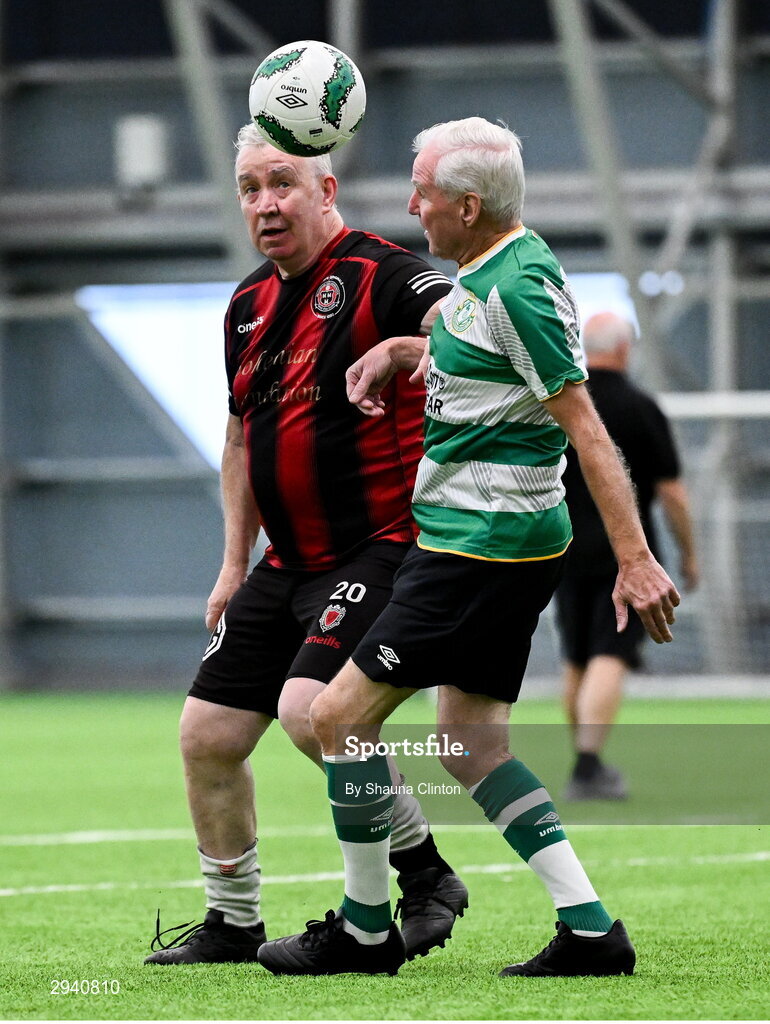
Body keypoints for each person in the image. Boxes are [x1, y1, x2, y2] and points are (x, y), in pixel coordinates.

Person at [256, 117, 680, 979]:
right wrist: (405, 351)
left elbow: (587, 430)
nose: (413, 205)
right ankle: (592, 930)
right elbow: (487, 357)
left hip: (475, 546)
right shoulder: (503, 267)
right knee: (471, 745)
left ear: (470, 205)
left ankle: (368, 930)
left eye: (423, 191)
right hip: (504, 543)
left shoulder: (512, 289)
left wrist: (636, 558)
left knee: (335, 718)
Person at [144, 123, 469, 965]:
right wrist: (229, 564)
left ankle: (423, 873)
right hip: (282, 565)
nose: (264, 204)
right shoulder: (246, 307)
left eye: (282, 183)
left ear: (326, 191)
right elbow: (241, 442)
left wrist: (412, 345)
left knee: (307, 714)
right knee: (206, 736)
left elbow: (470, 334)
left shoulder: (384, 274)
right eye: (250, 187)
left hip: (381, 548)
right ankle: (232, 920)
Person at [556, 311, 699, 801]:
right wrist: (690, 555)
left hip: (564, 551)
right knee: (609, 656)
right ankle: (589, 765)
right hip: (629, 560)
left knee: (576, 659)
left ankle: (584, 762)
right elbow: (674, 493)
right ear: (623, 349)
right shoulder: (641, 407)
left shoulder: (563, 403)